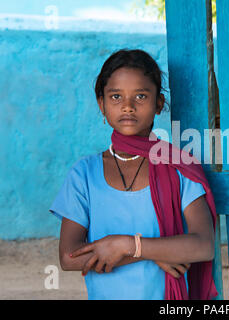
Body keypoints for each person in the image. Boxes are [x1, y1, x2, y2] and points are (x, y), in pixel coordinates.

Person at [49, 49, 218, 300]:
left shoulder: (178, 166)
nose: (127, 106)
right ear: (102, 105)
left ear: (159, 104)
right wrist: (154, 253)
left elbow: (203, 246)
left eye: (140, 96)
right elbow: (69, 257)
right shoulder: (84, 174)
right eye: (116, 96)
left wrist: (127, 245)